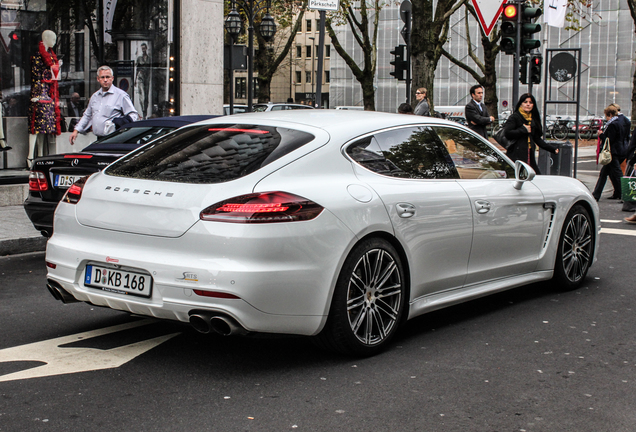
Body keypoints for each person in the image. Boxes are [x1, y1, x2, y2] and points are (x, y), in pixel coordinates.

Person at [70, 66, 139, 145]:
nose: (105, 80)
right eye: (102, 77)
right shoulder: (95, 97)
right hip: (99, 139)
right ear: (98, 79)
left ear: (112, 78)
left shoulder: (121, 95)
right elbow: (87, 115)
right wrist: (76, 131)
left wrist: (119, 123)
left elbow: (133, 115)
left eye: (107, 77)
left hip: (115, 139)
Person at [502, 93, 559, 174]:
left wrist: (552, 149)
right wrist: (523, 129)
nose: (528, 104)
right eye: (525, 102)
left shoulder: (533, 119)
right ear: (521, 104)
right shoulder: (515, 117)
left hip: (529, 153)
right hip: (516, 154)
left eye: (530, 102)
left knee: (536, 176)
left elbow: (537, 139)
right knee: (518, 176)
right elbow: (507, 133)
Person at [28, 30, 61, 166]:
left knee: (44, 128)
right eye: (52, 39)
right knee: (36, 127)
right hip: (40, 94)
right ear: (45, 38)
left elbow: (54, 76)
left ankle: (40, 156)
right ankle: (30, 156)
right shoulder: (37, 56)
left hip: (48, 95)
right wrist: (36, 95)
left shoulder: (52, 56)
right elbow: (37, 77)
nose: (54, 41)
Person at [592, 105, 624, 201]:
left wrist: (601, 135)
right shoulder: (619, 122)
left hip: (612, 152)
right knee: (605, 173)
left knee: (616, 173)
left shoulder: (613, 124)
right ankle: (597, 194)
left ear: (609, 114)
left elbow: (609, 140)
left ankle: (622, 193)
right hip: (616, 150)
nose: (605, 117)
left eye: (606, 115)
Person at [135, 43, 150, 119]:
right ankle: (142, 109)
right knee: (142, 95)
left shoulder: (149, 58)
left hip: (147, 77)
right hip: (140, 77)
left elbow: (151, 69)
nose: (143, 50)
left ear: (146, 48)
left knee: (146, 95)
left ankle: (145, 113)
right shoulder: (139, 58)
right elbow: (137, 69)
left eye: (144, 48)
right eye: (142, 48)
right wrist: (135, 79)